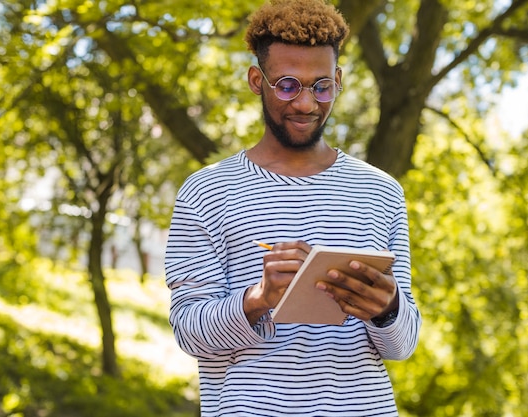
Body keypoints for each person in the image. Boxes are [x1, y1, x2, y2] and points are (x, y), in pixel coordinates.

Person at [165, 0, 422, 415]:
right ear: (256, 80)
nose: (305, 104)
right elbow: (189, 334)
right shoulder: (206, 191)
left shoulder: (381, 192)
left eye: (321, 86)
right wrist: (258, 297)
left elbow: (403, 345)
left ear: (338, 81)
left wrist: (388, 308)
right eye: (287, 85)